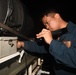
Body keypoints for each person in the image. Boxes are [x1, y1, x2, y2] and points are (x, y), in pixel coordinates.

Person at [17, 8, 76, 75]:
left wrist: (51, 41)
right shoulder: (56, 34)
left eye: (47, 22)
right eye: (45, 25)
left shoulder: (74, 31)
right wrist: (22, 44)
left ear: (57, 16)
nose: (47, 27)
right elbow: (42, 48)